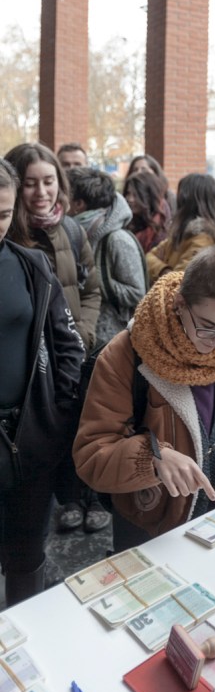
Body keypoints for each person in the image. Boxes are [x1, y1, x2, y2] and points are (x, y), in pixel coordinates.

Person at [73, 244, 215, 551]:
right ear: (180, 304)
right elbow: (91, 455)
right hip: (152, 526)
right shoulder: (125, 353)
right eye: (208, 327)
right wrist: (151, 459)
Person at [5, 142, 101, 533]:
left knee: (75, 426)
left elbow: (92, 289)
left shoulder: (72, 230)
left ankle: (80, 497)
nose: (41, 192)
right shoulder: (11, 237)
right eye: (31, 183)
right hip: (31, 366)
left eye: (49, 181)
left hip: (71, 349)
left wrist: (83, 332)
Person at [0, 158, 83, 603]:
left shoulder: (31, 265)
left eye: (3, 214)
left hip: (31, 436)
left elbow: (68, 343)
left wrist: (59, 410)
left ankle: (22, 637)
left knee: (27, 555)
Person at [68, 167, 148, 343]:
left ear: (79, 204)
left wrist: (92, 281)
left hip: (111, 339)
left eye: (65, 196)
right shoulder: (74, 233)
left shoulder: (117, 239)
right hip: (84, 332)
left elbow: (137, 292)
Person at [146, 173, 215, 283]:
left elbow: (177, 283)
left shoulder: (203, 239)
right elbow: (148, 257)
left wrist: (163, 270)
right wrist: (164, 270)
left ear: (187, 202)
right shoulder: (184, 232)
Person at [124, 171, 170, 253]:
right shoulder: (126, 221)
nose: (130, 199)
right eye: (128, 193)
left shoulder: (162, 228)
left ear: (149, 196)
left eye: (136, 195)